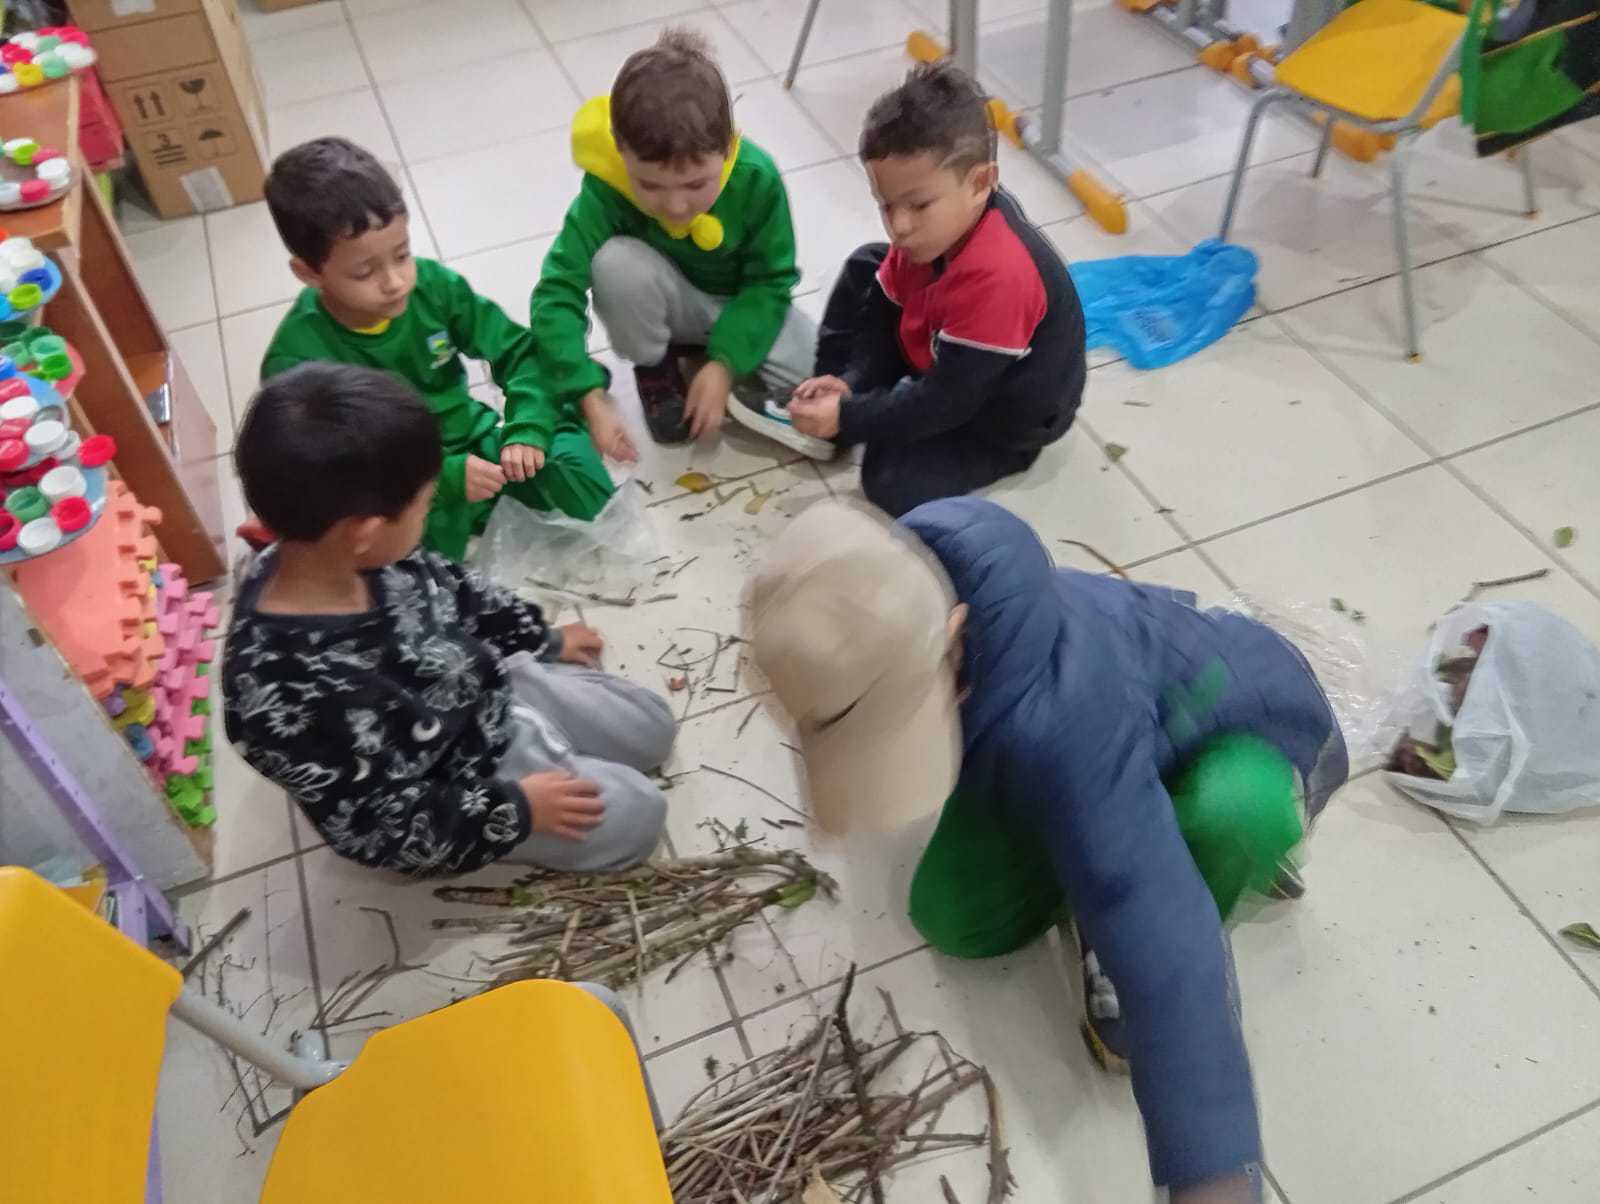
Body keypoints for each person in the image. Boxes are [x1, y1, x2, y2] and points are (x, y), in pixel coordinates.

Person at [747, 496, 1350, 1204]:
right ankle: (1095, 841)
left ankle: (1174, 863)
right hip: (1073, 751)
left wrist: (1212, 1173)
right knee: (955, 917)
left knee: (1222, 824)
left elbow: (1162, 936)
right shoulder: (901, 576)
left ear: (954, 636)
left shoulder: (1067, 713)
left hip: (1219, 721)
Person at [222, 362, 674, 878]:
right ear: (364, 533)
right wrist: (517, 809)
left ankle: (537, 718)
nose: (429, 514)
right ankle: (535, 776)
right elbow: (374, 826)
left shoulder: (370, 554)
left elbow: (461, 591)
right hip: (461, 782)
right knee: (642, 816)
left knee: (653, 727)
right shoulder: (277, 691)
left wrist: (538, 638)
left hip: (489, 688)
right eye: (425, 505)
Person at [246, 137, 621, 562]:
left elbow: (519, 353)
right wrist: (445, 481)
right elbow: (336, 473)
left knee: (582, 484)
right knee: (395, 559)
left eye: (402, 255)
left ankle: (560, 415)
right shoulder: (296, 361)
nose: (394, 282)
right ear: (309, 273)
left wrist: (526, 430)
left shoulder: (433, 286)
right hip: (401, 488)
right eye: (364, 272)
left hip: (477, 443)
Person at [789, 62, 1087, 517]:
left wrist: (854, 417)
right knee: (867, 265)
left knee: (888, 480)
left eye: (919, 205)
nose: (899, 225)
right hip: (951, 358)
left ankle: (843, 420)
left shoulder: (1001, 276)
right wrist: (851, 385)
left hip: (997, 414)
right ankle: (833, 402)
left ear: (980, 183)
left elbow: (949, 401)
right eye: (886, 205)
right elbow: (882, 317)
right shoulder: (933, 234)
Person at [530, 28, 828, 460]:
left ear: (727, 147)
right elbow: (557, 290)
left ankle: (714, 361)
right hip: (667, 303)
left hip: (739, 303)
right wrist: (586, 394)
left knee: (819, 376)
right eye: (650, 185)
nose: (675, 206)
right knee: (615, 265)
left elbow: (770, 282)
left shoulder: (757, 178)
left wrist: (725, 363)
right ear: (620, 150)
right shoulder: (605, 186)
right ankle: (655, 363)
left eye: (695, 184)